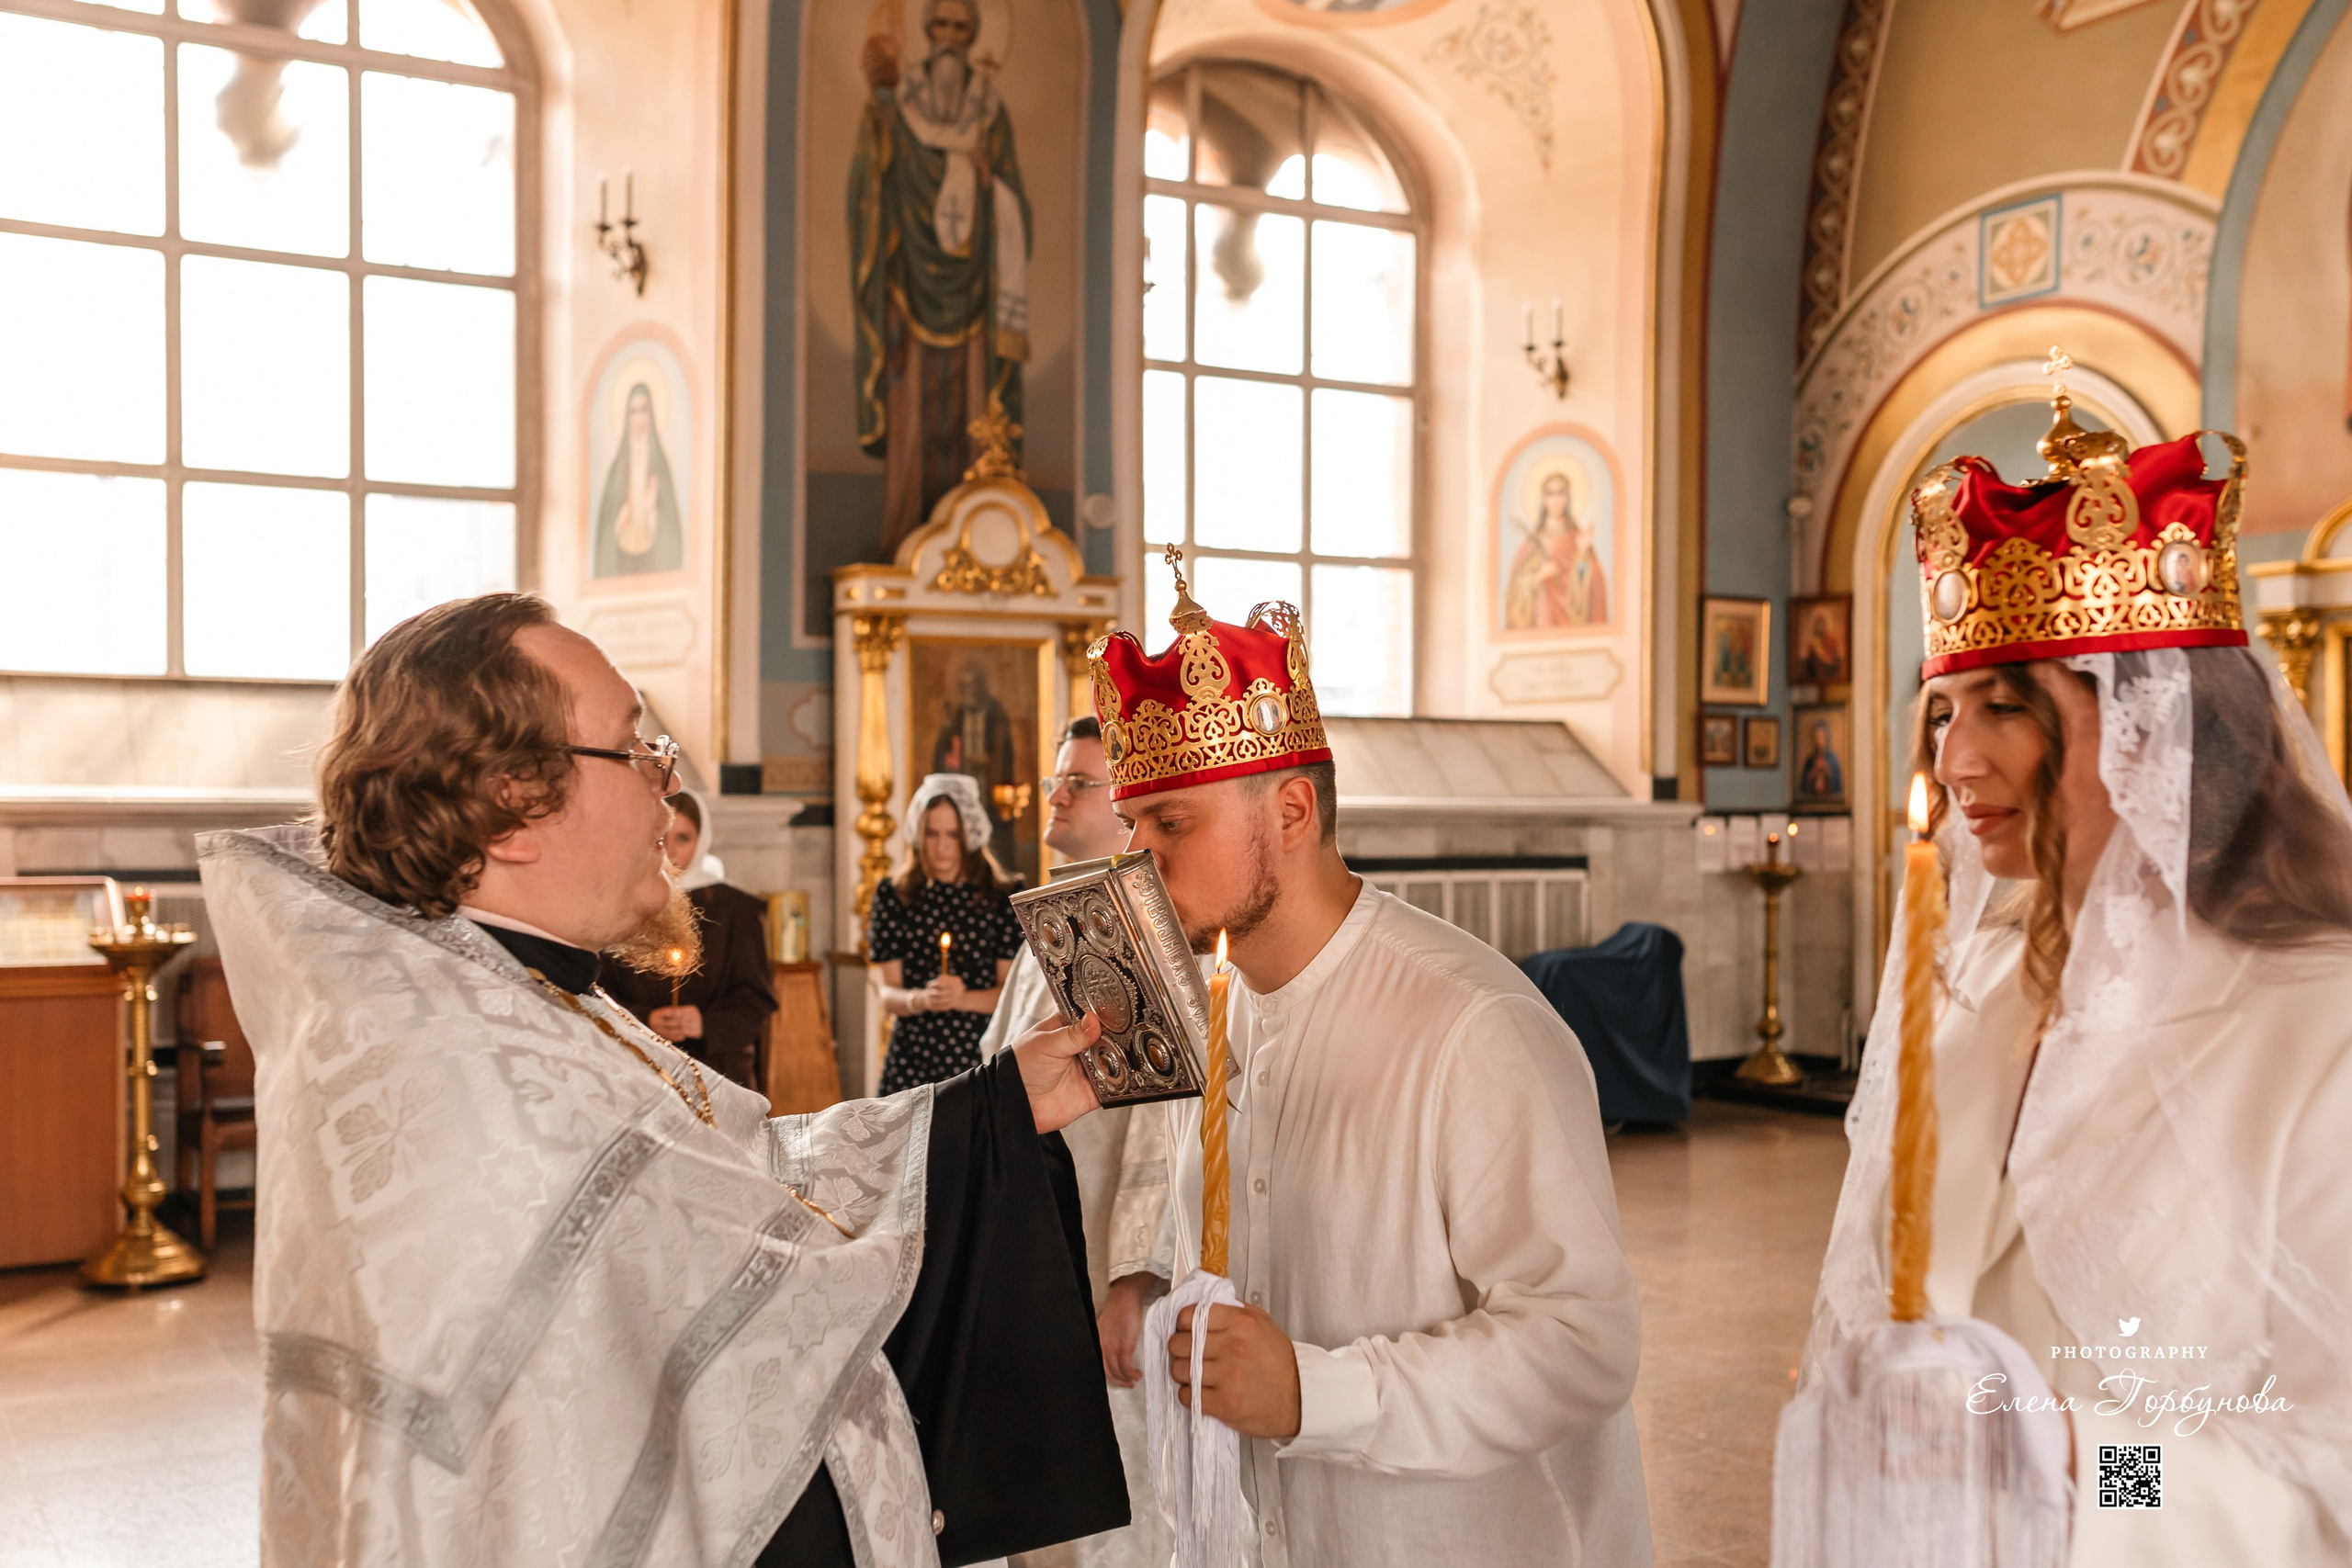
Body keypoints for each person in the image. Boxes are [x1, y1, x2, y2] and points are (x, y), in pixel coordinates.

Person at [197, 593, 1126, 1567]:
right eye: (636, 750)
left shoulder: (511, 994)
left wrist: (993, 1108)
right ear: (513, 803)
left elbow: (740, 1171)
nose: (665, 789)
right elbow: (759, 1283)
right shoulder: (466, 1078)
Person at [1802, 398, 2352, 1562]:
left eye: (2008, 707)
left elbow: (2326, 1480)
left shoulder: (2320, 1025)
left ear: (2162, 723)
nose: (1953, 761)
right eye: (1942, 710)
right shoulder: (1977, 984)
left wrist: (2075, 1467)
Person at [1090, 549, 1652, 1568]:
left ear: (1292, 813)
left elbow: (1583, 1344)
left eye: (1172, 823)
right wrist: (1156, 1287)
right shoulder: (1221, 1012)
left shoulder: (1469, 1026)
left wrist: (1316, 1393)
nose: (1139, 865)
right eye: (1133, 827)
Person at [975, 716, 1175, 1568]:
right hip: (1032, 1242)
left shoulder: (1144, 927)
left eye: (1080, 782)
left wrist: (1134, 1274)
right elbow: (996, 1065)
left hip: (1095, 1256)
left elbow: (1164, 1124)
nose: (1054, 794)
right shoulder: (1056, 915)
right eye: (1057, 778)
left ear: (1128, 806)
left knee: (1112, 1484)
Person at [851, 0, 1032, 556]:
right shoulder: (896, 107)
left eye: (961, 28)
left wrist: (989, 182)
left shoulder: (990, 114)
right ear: (926, 33)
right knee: (913, 406)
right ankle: (905, 534)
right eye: (940, 27)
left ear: (974, 35)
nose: (950, 40)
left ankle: (980, 539)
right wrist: (881, 111)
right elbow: (867, 186)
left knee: (972, 403)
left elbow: (1016, 202)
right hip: (909, 284)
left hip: (975, 290)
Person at [600, 786, 777, 1092]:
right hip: (640, 1074)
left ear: (702, 840)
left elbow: (756, 999)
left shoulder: (736, 909)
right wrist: (644, 1020)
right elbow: (598, 992)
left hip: (720, 1075)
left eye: (683, 838)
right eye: (660, 838)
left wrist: (706, 1024)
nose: (670, 851)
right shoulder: (618, 903)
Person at [871, 772, 1025, 1095]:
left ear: (969, 835)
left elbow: (1009, 993)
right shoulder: (895, 894)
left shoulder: (1000, 896)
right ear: (918, 833)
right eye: (932, 834)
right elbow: (888, 994)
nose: (941, 847)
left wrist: (962, 998)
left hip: (979, 1052)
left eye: (953, 835)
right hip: (913, 1055)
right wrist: (922, 999)